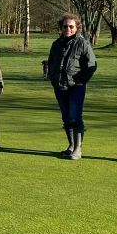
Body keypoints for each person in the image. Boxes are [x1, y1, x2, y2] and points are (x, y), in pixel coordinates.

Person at [46, 13, 97, 160]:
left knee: (75, 117)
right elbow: (51, 62)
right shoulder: (56, 44)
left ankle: (77, 149)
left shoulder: (83, 43)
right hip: (59, 86)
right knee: (66, 118)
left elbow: (92, 65)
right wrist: (53, 78)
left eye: (71, 26)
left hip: (76, 87)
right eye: (65, 26)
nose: (68, 29)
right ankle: (71, 145)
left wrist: (82, 80)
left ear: (76, 27)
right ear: (61, 28)